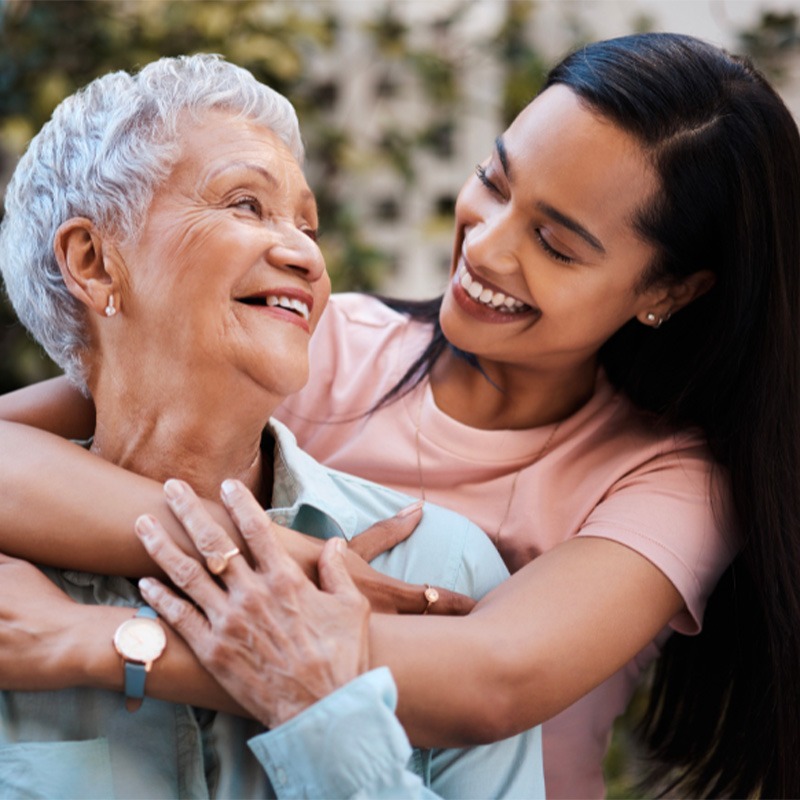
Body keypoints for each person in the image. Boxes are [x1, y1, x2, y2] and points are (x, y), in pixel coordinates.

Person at [1, 30, 799, 798]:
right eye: (494, 179)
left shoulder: (672, 479)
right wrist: (302, 557)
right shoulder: (320, 344)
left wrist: (105, 644)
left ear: (668, 291)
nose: (486, 247)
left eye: (556, 245)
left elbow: (490, 678)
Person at [0, 54, 544, 799]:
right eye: (245, 205)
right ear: (94, 263)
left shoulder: (432, 570)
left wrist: (314, 708)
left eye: (307, 223)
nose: (304, 254)